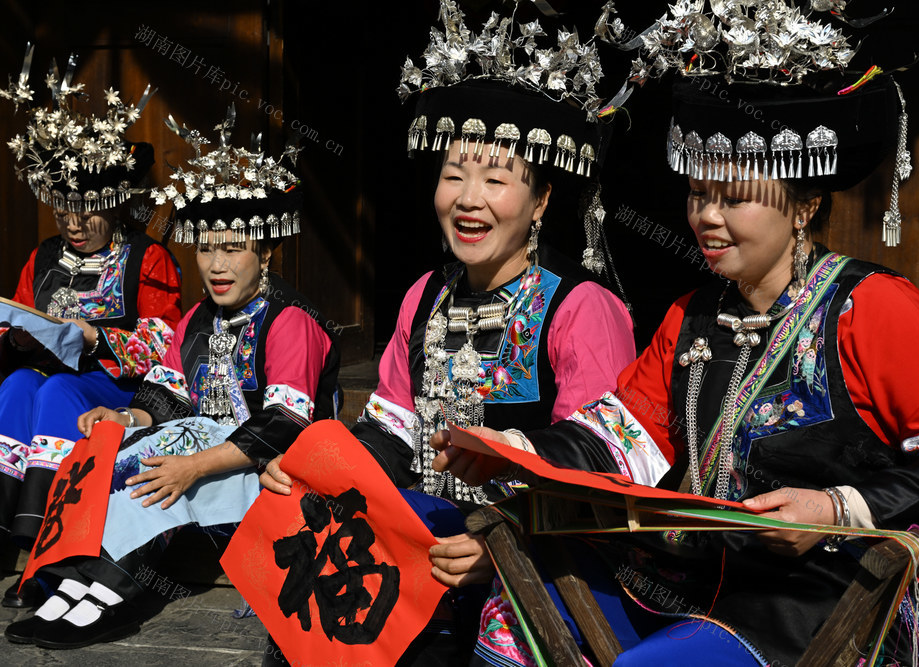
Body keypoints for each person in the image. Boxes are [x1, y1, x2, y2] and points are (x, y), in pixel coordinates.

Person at [430, 4, 919, 666]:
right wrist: (517, 447)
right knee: (517, 608)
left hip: (833, 598)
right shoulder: (691, 316)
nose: (706, 216)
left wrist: (834, 506)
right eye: (699, 194)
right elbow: (619, 437)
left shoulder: (875, 310)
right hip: (696, 578)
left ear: (805, 202)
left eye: (733, 198)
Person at [259, 3, 636, 664]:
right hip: (429, 532)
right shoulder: (423, 296)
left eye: (495, 179)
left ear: (543, 199)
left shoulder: (582, 307)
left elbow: (595, 476)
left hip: (542, 549)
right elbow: (391, 433)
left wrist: (500, 544)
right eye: (454, 174)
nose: (468, 198)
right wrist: (315, 472)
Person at [2, 109, 341, 650]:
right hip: (205, 469)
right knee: (126, 440)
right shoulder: (196, 322)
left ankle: (107, 593)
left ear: (266, 252)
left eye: (233, 247)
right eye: (206, 247)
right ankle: (78, 580)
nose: (216, 264)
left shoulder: (290, 321)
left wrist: (192, 465)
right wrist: (124, 416)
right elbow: (165, 394)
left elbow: (285, 422)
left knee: (193, 439)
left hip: (275, 476)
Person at [0, 45, 181, 607]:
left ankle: (48, 551)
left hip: (115, 383)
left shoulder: (147, 258)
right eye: (63, 211)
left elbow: (168, 341)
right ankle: (5, 530)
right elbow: (25, 314)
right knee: (17, 385)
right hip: (49, 374)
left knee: (53, 389)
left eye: (89, 211)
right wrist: (20, 332)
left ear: (114, 202)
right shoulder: (43, 256)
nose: (75, 225)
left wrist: (95, 335)